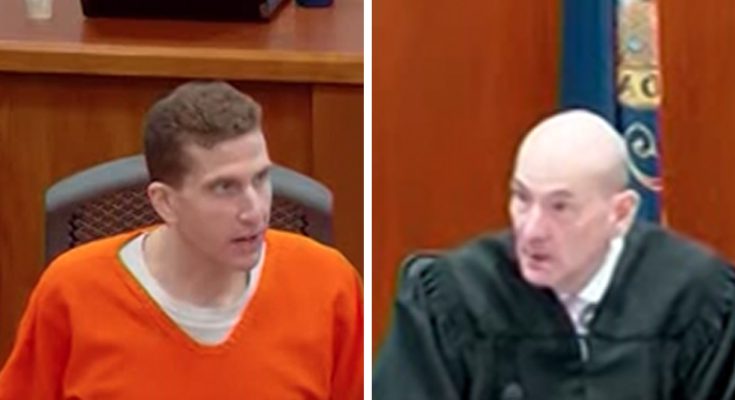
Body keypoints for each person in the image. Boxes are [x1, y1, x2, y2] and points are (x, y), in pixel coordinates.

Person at [0, 81, 363, 399]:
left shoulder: (328, 284)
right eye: (225, 187)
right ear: (165, 203)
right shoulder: (72, 292)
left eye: (260, 178)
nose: (255, 210)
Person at [373, 109, 735, 400]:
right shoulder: (457, 297)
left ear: (621, 213)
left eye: (560, 207)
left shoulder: (696, 300)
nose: (532, 230)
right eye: (522, 198)